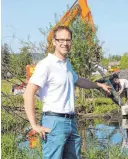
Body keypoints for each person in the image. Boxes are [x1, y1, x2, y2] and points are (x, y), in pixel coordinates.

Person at [23, 26, 111, 159]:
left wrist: (98, 85)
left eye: (68, 40)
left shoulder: (66, 65)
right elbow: (29, 92)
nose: (65, 43)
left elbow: (78, 80)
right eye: (61, 40)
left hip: (71, 121)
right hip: (54, 122)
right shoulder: (46, 64)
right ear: (54, 42)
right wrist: (34, 125)